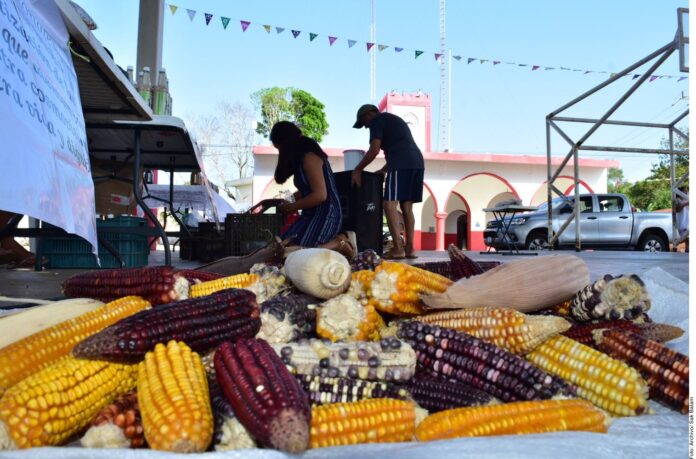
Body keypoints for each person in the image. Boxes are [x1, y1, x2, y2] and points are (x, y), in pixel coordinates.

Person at [270, 121, 355, 259]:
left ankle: (340, 243)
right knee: (284, 246)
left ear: (285, 143)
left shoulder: (309, 157)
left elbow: (320, 195)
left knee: (302, 254)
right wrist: (289, 200)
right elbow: (305, 190)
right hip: (310, 214)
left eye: (279, 148)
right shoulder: (299, 160)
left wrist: (292, 206)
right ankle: (335, 243)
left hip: (327, 213)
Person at [351, 104, 424, 259]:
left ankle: (398, 248)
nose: (365, 126)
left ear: (370, 113)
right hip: (417, 161)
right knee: (406, 206)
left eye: (363, 122)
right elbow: (401, 147)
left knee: (389, 204)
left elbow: (374, 149)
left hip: (401, 163)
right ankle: (410, 249)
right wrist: (384, 170)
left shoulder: (377, 120)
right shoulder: (392, 120)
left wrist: (358, 169)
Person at [675, 185, 689, 252]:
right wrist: (686, 203)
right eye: (685, 190)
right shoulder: (677, 199)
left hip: (688, 221)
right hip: (682, 223)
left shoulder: (688, 198)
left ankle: (687, 249)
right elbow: (677, 209)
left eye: (687, 190)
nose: (686, 192)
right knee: (685, 237)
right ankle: (676, 244)